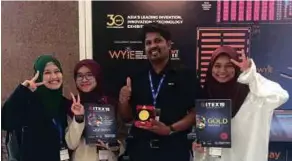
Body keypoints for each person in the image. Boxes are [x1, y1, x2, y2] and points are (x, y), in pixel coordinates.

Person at [118, 22, 203, 161]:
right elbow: (126, 117)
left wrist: (170, 129)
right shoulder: (135, 76)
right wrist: (123, 101)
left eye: (158, 40)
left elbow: (197, 112)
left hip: (174, 151)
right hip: (140, 151)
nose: (153, 46)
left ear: (169, 44)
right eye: (148, 43)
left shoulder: (185, 75)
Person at [193, 46, 289, 161]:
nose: (222, 71)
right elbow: (205, 137)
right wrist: (198, 146)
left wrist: (251, 75)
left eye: (229, 66)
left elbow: (282, 96)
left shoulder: (252, 95)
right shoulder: (207, 95)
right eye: (217, 66)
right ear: (211, 68)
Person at [1, 55, 71, 161]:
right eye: (47, 73)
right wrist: (22, 90)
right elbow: (5, 122)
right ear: (39, 76)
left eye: (57, 71)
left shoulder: (64, 103)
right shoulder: (29, 100)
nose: (54, 76)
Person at [65, 59, 125, 161]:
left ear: (97, 76)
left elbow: (122, 139)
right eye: (79, 76)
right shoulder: (74, 105)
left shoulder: (111, 104)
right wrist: (79, 117)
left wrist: (114, 145)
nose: (84, 80)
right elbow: (71, 144)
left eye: (89, 74)